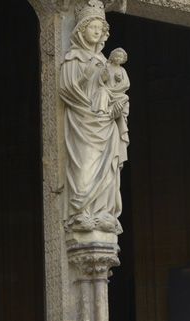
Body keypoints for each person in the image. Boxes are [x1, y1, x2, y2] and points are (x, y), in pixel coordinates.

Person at [59, 0, 127, 233]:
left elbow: (115, 88)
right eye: (93, 27)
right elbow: (67, 88)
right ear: (80, 29)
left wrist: (114, 108)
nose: (97, 32)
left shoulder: (104, 62)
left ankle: (102, 213)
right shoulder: (73, 57)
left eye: (100, 28)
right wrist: (87, 79)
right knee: (84, 166)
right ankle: (81, 213)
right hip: (83, 120)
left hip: (105, 123)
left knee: (108, 168)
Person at [103, 47, 130, 165]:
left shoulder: (122, 70)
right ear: (112, 56)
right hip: (108, 92)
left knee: (126, 97)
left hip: (118, 94)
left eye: (121, 57)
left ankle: (118, 114)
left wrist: (119, 81)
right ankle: (109, 112)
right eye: (117, 56)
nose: (118, 59)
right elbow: (100, 80)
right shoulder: (107, 67)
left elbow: (126, 84)